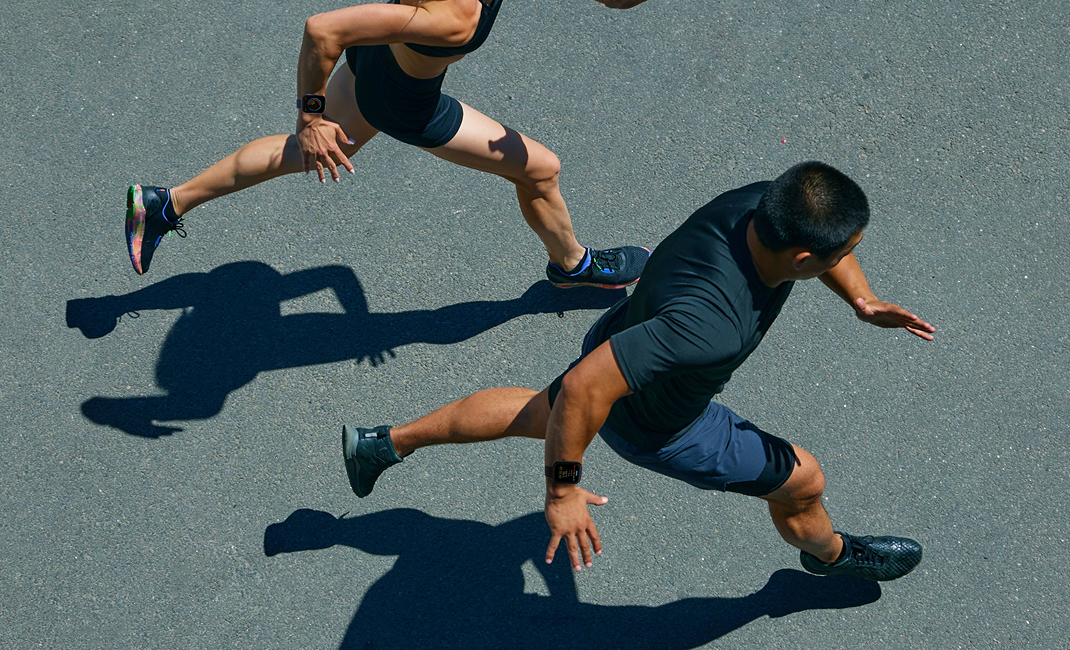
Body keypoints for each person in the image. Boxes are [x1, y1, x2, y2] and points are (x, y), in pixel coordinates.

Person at [338, 162, 936, 583]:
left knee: (539, 413)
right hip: (662, 423)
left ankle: (382, 445)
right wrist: (563, 490)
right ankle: (831, 557)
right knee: (804, 482)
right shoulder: (711, 323)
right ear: (804, 259)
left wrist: (860, 299)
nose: (848, 259)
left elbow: (828, 242)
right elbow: (585, 388)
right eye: (840, 257)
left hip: (621, 336)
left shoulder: (763, 203)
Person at [125, 0, 665, 289]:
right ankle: (572, 266)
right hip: (406, 102)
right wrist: (311, 115)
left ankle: (164, 203)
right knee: (542, 170)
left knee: (307, 152)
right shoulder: (453, 14)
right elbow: (322, 31)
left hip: (376, 64)